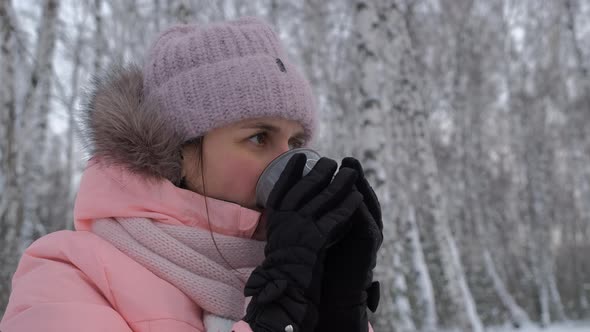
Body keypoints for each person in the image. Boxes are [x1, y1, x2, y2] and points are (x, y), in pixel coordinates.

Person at [0, 17, 382, 332]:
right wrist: (273, 318)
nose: (290, 163)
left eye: (295, 142)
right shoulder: (69, 273)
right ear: (178, 151)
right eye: (259, 137)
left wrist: (340, 311)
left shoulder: (297, 266)